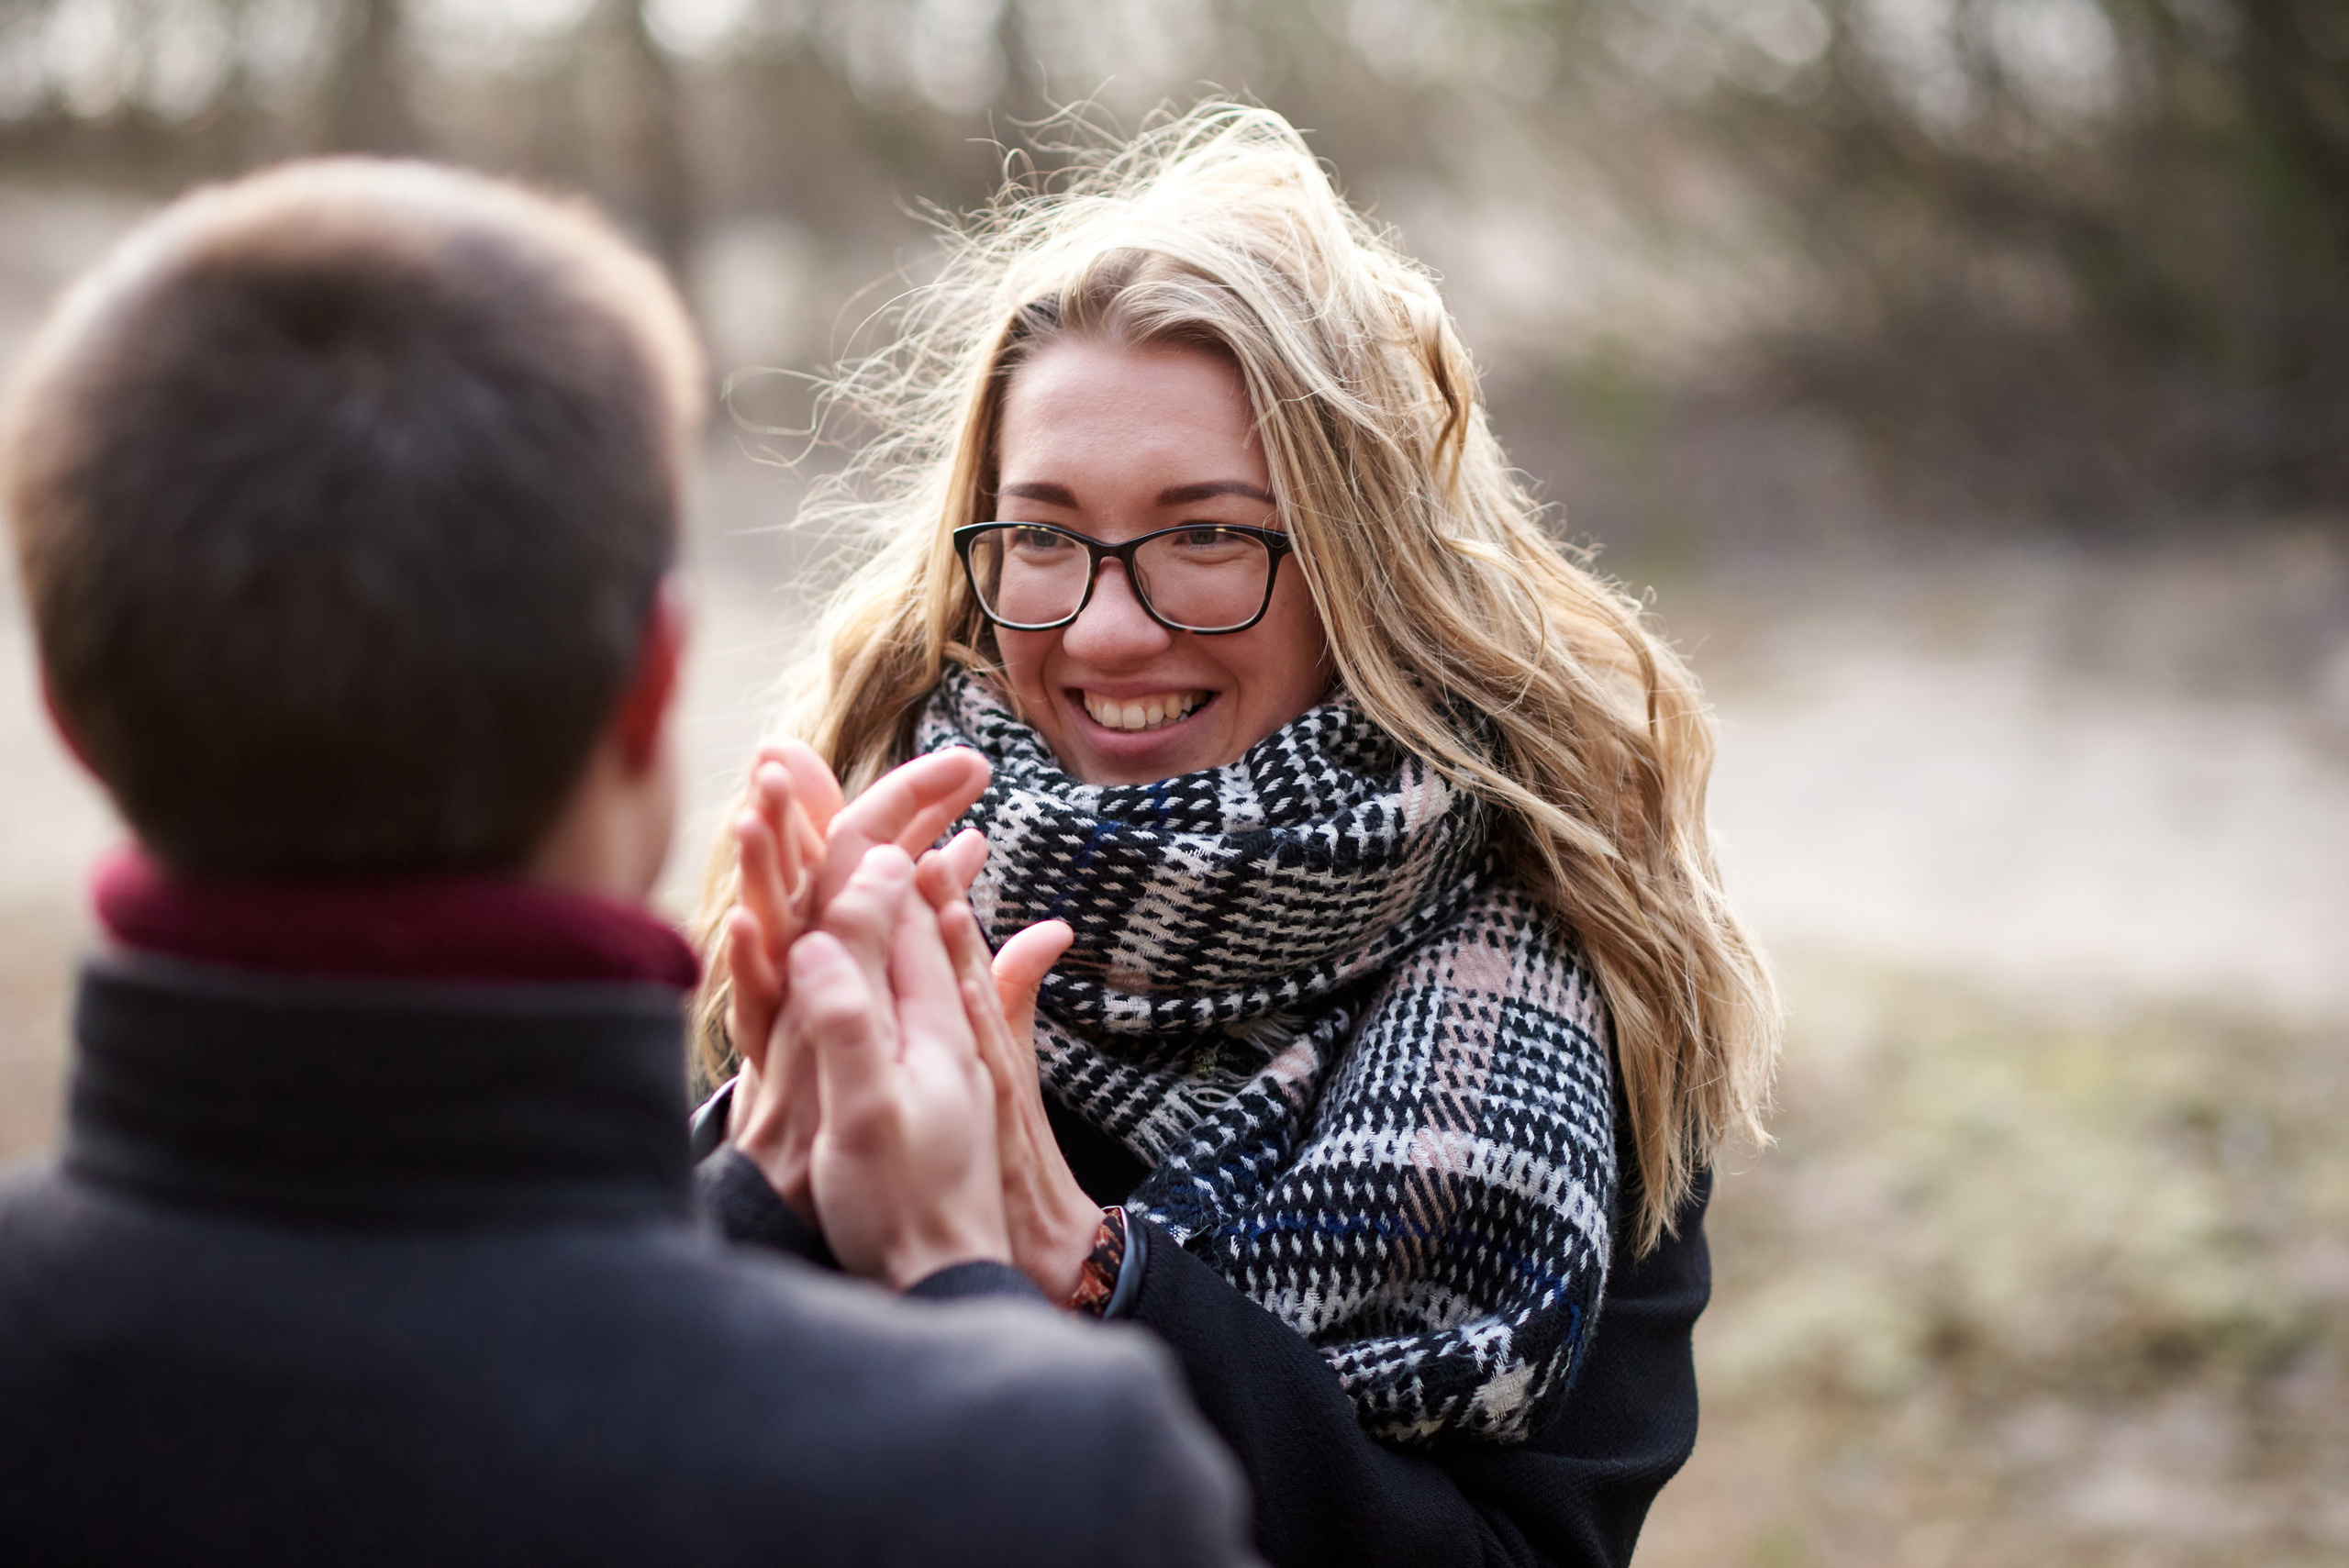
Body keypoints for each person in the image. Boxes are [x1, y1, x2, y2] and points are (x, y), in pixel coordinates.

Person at [0, 158, 1256, 1568]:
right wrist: (971, 1284)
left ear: (71, 716)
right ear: (654, 683)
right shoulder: (1036, 1478)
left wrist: (754, 1188)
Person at [691, 106, 1780, 1567]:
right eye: (1045, 534)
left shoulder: (1584, 972)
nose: (1105, 625)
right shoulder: (859, 917)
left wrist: (1091, 1276)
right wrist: (762, 1171)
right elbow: (583, 1460)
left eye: (1208, 535)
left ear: (1363, 570)